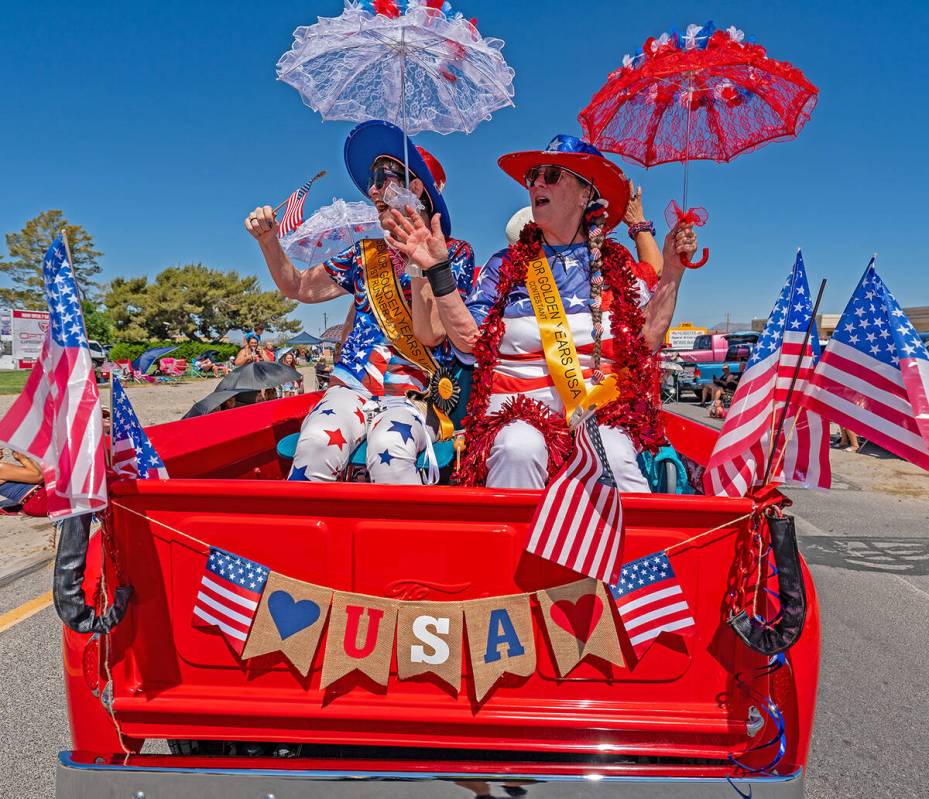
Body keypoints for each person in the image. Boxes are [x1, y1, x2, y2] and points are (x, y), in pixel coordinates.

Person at [385, 134, 696, 489]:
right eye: (533, 177)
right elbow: (471, 341)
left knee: (610, 449)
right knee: (518, 446)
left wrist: (672, 270)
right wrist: (438, 270)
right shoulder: (505, 265)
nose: (537, 184)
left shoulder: (615, 263)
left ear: (585, 192)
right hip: (516, 411)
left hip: (603, 414)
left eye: (551, 175)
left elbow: (647, 341)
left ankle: (632, 544)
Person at [244, 120, 475, 484]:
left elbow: (430, 336)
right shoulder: (362, 255)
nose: (373, 188)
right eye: (373, 180)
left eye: (385, 177)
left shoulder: (454, 254)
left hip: (412, 396)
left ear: (416, 187)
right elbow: (300, 287)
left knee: (391, 452)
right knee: (317, 442)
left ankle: (403, 540)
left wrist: (421, 266)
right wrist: (269, 240)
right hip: (350, 386)